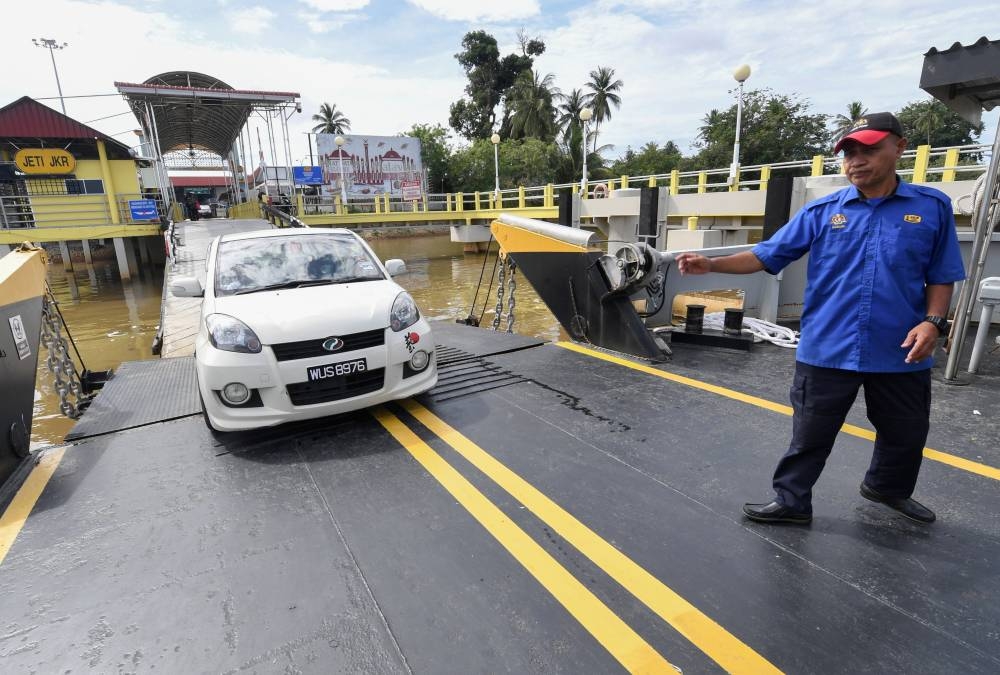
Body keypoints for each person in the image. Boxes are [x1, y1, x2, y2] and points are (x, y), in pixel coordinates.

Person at [675, 112, 966, 525]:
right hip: (829, 344)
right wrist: (711, 264)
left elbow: (942, 274)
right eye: (848, 153)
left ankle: (887, 488)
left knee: (906, 432)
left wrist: (933, 322)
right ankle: (792, 501)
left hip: (900, 345)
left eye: (869, 149)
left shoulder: (931, 207)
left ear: (899, 148)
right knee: (810, 433)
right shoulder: (823, 211)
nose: (856, 161)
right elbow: (767, 254)